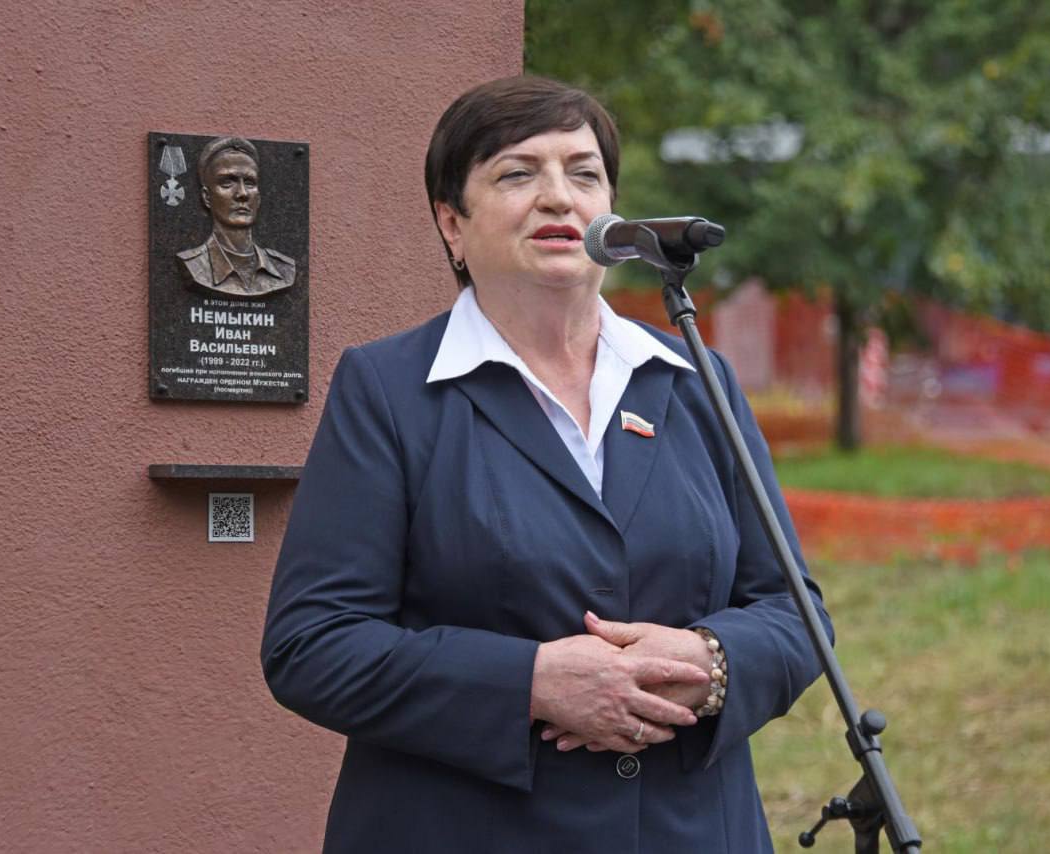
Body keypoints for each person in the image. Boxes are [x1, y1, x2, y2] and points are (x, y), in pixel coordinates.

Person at [261, 76, 830, 853]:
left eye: (583, 173)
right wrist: (529, 682)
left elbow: (794, 611)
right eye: (517, 173)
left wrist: (714, 662)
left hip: (691, 831)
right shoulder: (389, 391)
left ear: (613, 216)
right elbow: (312, 644)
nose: (559, 196)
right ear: (452, 224)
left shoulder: (697, 379)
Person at [177, 136, 297, 298]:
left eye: (249, 183)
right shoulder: (193, 265)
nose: (242, 193)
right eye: (228, 182)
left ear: (258, 197)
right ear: (207, 197)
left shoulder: (284, 269)